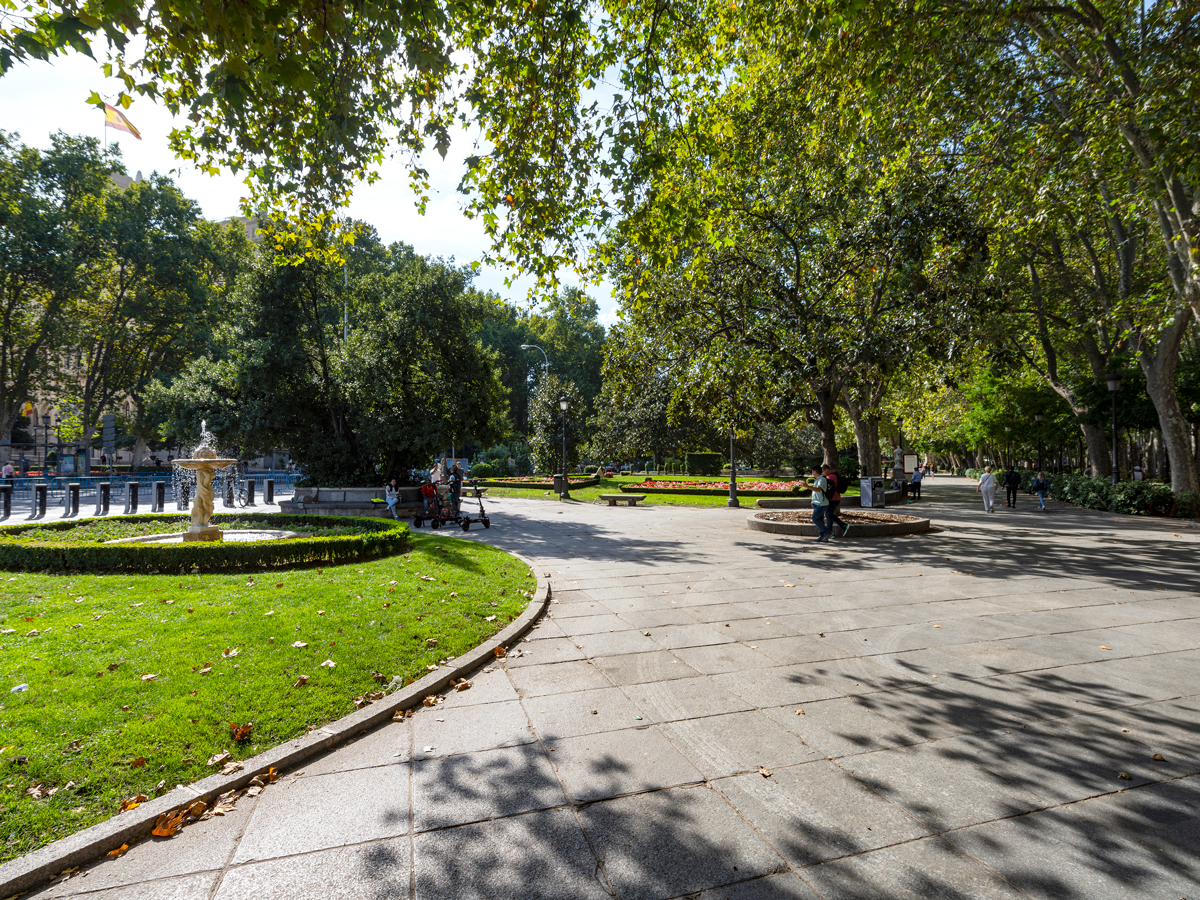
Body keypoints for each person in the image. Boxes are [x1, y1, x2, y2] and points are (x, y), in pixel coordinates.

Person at [803, 465, 833, 542]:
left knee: (815, 518)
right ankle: (823, 535)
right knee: (820, 519)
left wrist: (807, 486)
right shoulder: (817, 479)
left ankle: (827, 531)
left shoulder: (822, 479)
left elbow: (818, 489)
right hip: (818, 503)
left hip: (821, 503)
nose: (812, 473)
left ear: (815, 471)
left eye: (812, 472)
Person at [823, 463, 849, 538]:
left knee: (828, 515)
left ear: (826, 469)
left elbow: (829, 489)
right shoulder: (832, 475)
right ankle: (843, 526)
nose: (822, 473)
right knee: (829, 514)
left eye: (823, 471)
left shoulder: (831, 477)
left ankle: (830, 532)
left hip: (833, 499)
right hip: (835, 498)